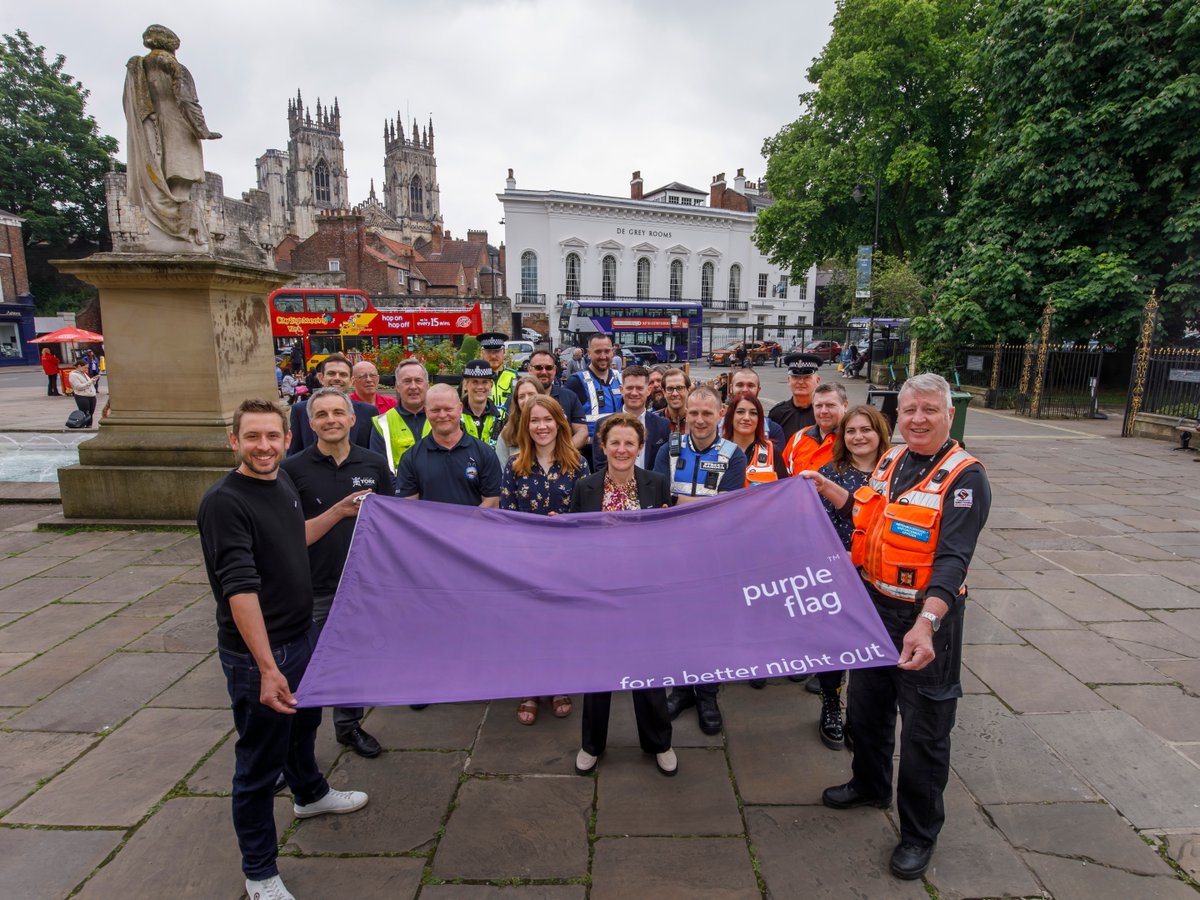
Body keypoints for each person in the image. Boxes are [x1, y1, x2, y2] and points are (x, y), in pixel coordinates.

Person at [817, 374, 990, 881]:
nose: (917, 419)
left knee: (925, 732)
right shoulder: (891, 460)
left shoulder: (965, 477)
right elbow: (869, 521)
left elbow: (954, 560)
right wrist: (828, 489)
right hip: (875, 607)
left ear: (949, 414)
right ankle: (869, 785)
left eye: (929, 410)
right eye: (909, 410)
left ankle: (918, 833)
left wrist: (926, 624)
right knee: (867, 711)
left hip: (925, 620)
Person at [199, 399, 368, 900]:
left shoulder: (282, 484)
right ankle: (259, 872)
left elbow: (294, 539)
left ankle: (311, 794)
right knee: (258, 764)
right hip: (260, 657)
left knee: (303, 727)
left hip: (300, 638)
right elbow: (239, 588)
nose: (264, 446)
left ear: (286, 439)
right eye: (252, 437)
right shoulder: (225, 502)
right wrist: (267, 667)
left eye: (272, 437)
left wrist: (337, 512)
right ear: (235, 441)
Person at [281, 388, 395, 760]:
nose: (330, 420)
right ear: (311, 423)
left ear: (352, 419)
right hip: (313, 586)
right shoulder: (292, 469)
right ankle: (295, 747)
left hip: (362, 584)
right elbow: (285, 532)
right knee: (304, 667)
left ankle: (348, 727)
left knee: (354, 660)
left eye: (337, 412)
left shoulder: (374, 464)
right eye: (322, 414)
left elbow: (393, 522)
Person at [568, 412, 676, 777]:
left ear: (640, 447)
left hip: (644, 595)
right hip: (599, 595)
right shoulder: (585, 488)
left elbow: (665, 541)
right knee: (599, 673)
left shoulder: (657, 483)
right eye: (614, 442)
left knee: (649, 671)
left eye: (630, 442)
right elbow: (573, 541)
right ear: (602, 446)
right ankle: (592, 745)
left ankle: (659, 742)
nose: (622, 449)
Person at [799, 404, 893, 748]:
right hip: (839, 572)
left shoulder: (895, 472)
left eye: (865, 429)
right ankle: (830, 705)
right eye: (851, 431)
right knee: (835, 644)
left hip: (881, 574)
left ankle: (862, 715)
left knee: (872, 648)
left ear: (879, 433)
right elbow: (817, 526)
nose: (858, 437)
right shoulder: (830, 472)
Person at [654, 386, 746, 734]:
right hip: (673, 554)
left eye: (707, 413)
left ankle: (707, 693)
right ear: (684, 413)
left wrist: (683, 502)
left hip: (715, 556)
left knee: (712, 626)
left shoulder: (733, 454)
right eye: (694, 413)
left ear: (720, 413)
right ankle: (681, 689)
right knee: (676, 624)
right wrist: (697, 504)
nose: (700, 419)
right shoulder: (669, 449)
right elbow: (660, 499)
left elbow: (728, 508)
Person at [501, 394, 590, 724]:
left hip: (567, 563)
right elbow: (507, 517)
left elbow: (586, 514)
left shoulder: (579, 465)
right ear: (526, 426)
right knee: (529, 627)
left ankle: (559, 684)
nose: (541, 426)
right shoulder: (514, 467)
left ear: (559, 423)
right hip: (526, 563)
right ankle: (530, 688)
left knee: (560, 625)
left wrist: (566, 524)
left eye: (547, 419)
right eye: (534, 420)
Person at [396, 384, 501, 508]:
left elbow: (492, 502)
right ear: (426, 411)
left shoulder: (485, 453)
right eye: (435, 410)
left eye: (448, 409)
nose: (442, 415)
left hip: (473, 526)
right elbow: (408, 508)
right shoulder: (410, 458)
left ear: (460, 408)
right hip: (427, 527)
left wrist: (464, 526)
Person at [288, 354, 377, 456]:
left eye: (343, 375)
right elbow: (294, 454)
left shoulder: (368, 412)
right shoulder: (300, 411)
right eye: (331, 373)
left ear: (351, 381)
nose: (337, 378)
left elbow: (372, 454)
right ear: (321, 378)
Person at [593, 365, 669, 470]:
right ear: (621, 389)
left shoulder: (663, 425)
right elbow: (600, 467)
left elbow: (664, 466)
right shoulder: (603, 424)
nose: (634, 393)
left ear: (648, 390)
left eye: (639, 388)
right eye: (629, 388)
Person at [565, 332, 623, 459]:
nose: (603, 356)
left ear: (612, 352)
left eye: (607, 351)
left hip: (618, 450)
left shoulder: (621, 378)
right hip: (588, 452)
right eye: (598, 352)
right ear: (588, 353)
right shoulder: (576, 382)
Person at [370, 357, 430, 473]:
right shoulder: (382, 423)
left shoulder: (443, 418)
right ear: (397, 386)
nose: (413, 386)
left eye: (418, 380)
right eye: (407, 381)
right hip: (398, 490)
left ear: (427, 385)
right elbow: (380, 469)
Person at [783, 382, 849, 476]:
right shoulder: (799, 437)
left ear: (845, 406)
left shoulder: (853, 440)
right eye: (818, 406)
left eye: (830, 405)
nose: (824, 411)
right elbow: (782, 475)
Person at [527, 349, 588, 449]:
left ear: (555, 369)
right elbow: (509, 434)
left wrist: (562, 453)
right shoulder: (519, 398)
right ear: (529, 370)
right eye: (538, 368)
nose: (544, 372)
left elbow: (582, 432)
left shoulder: (570, 397)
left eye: (548, 367)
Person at [721, 391, 785, 486]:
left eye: (753, 413)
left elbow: (784, 491)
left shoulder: (772, 452)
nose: (746, 417)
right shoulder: (716, 450)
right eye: (740, 412)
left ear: (759, 420)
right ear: (731, 417)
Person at [724, 368, 786, 454]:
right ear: (731, 388)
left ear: (758, 389)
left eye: (750, 385)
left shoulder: (773, 430)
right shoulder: (716, 427)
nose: (745, 390)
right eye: (740, 385)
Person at [768, 352, 824, 443]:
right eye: (795, 377)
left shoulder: (824, 413)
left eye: (807, 377)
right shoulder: (777, 414)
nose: (801, 382)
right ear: (788, 380)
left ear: (817, 381)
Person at [494, 375, 547, 465]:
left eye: (531, 394)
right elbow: (500, 472)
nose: (526, 400)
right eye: (521, 396)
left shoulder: (552, 428)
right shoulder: (507, 434)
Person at [460, 358, 506, 447]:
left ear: (491, 385)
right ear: (465, 385)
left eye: (485, 382)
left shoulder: (502, 416)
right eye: (475, 382)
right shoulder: (454, 415)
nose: (480, 387)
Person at [479, 332, 519, 410]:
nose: (493, 356)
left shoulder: (515, 377)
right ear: (481, 353)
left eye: (497, 351)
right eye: (488, 351)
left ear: (504, 352)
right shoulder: (474, 379)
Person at [653, 368, 690, 434]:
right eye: (670, 389)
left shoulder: (697, 421)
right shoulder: (652, 421)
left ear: (688, 390)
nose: (675, 393)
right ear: (664, 392)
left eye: (680, 388)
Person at [68, 358, 100, 427]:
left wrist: (93, 381)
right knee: (85, 413)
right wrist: (90, 381)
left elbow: (89, 384)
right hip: (82, 396)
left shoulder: (84, 374)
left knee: (91, 413)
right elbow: (79, 387)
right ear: (79, 366)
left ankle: (89, 426)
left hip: (91, 395)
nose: (86, 370)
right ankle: (83, 425)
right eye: (85, 368)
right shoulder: (73, 375)